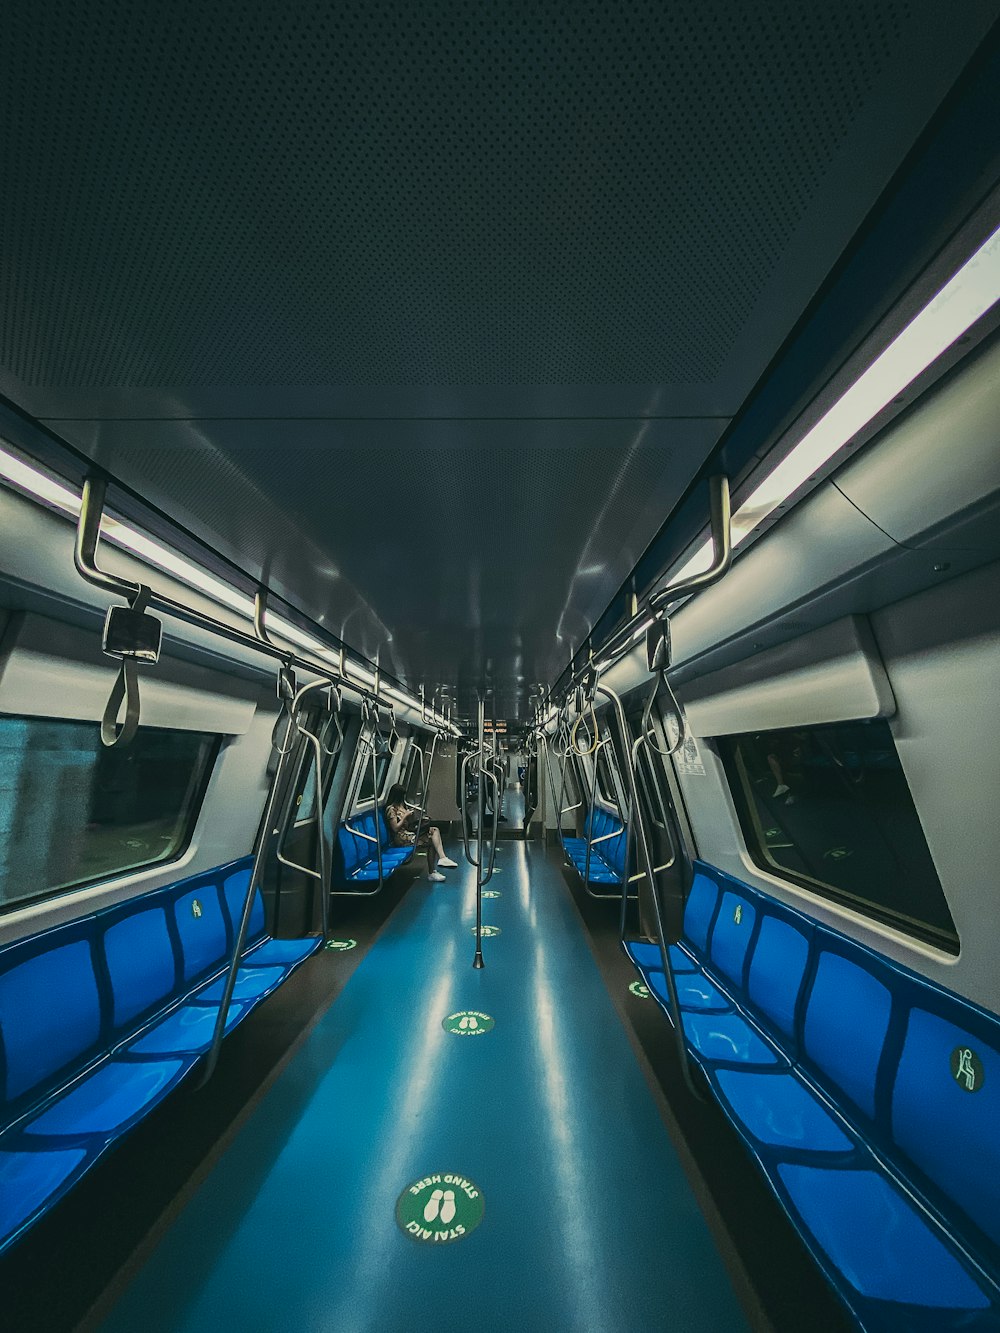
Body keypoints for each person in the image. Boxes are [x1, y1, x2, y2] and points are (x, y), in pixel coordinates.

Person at [383, 783, 458, 882]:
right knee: (431, 842)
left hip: (408, 833)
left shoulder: (402, 806)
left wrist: (412, 817)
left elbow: (408, 825)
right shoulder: (391, 809)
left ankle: (442, 858)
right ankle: (433, 871)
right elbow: (395, 828)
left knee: (434, 830)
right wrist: (405, 816)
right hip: (401, 838)